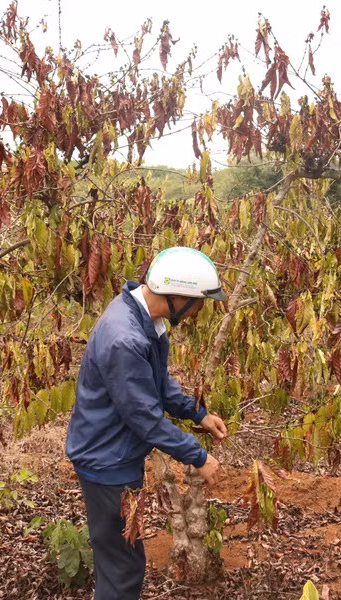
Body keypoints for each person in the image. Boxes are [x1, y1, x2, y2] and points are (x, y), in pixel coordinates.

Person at [66, 246, 229, 600]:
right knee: (122, 569)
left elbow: (157, 383)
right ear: (178, 296)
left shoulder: (145, 319)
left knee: (122, 562)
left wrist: (196, 413)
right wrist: (198, 456)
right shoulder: (124, 338)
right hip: (107, 464)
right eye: (199, 302)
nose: (200, 311)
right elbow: (145, 418)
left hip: (115, 455)